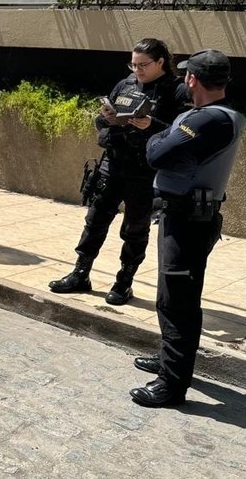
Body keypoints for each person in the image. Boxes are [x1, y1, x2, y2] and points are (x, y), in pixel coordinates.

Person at [130, 49, 244, 407]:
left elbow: (157, 156)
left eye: (185, 75)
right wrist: (165, 133)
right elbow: (178, 143)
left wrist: (154, 138)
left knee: (176, 301)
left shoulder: (207, 119)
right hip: (186, 217)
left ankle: (172, 384)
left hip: (186, 221)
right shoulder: (219, 117)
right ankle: (170, 360)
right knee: (172, 296)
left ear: (192, 79)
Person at [49, 38, 189, 305]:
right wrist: (106, 118)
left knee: (135, 230)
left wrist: (151, 124)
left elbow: (180, 133)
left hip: (144, 172)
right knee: (95, 221)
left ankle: (124, 282)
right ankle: (81, 273)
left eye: (143, 65)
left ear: (161, 62)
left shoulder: (176, 91)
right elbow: (101, 121)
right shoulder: (125, 84)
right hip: (112, 165)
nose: (137, 70)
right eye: (133, 64)